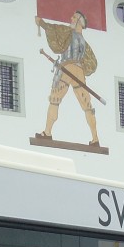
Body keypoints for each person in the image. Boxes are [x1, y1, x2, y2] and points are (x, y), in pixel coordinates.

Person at [36, 10, 99, 146]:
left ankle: (47, 133)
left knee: (55, 99)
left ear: (80, 21)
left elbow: (53, 29)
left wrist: (41, 23)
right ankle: (95, 139)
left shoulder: (68, 33)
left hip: (67, 69)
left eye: (74, 17)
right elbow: (91, 61)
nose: (71, 18)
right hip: (78, 72)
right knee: (86, 105)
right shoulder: (84, 43)